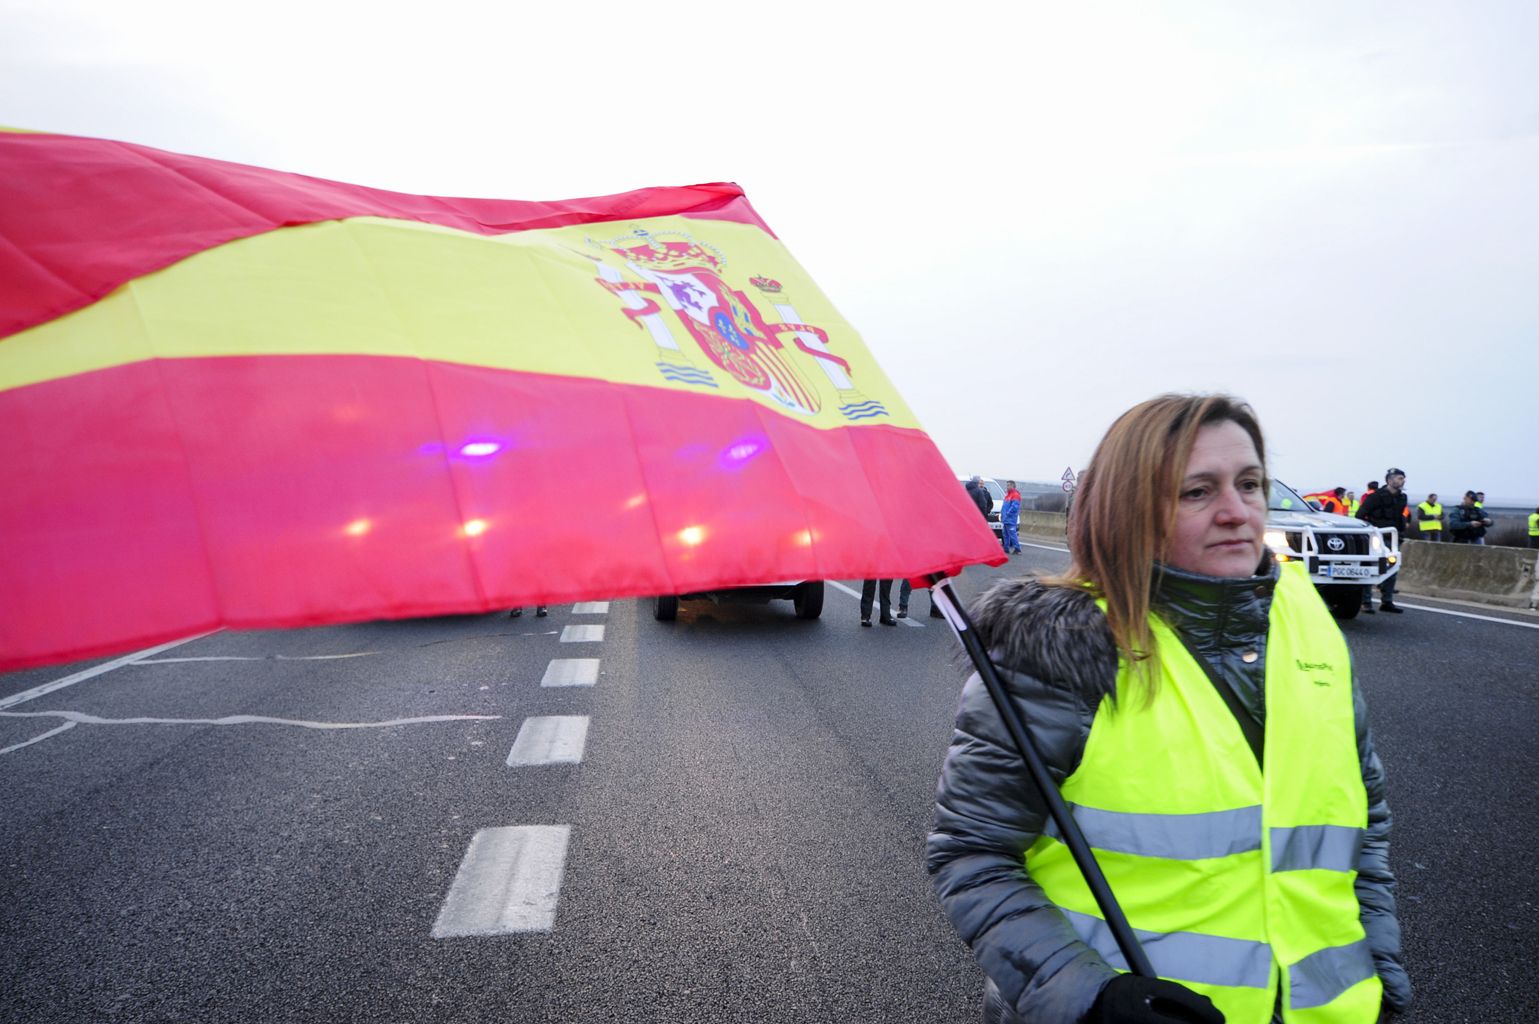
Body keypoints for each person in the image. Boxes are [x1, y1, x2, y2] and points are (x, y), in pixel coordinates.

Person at [928, 394, 1408, 1024]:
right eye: (1197, 492)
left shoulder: (1307, 621)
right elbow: (972, 852)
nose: (1238, 512)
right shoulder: (1062, 649)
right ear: (1132, 510)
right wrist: (1089, 997)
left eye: (1250, 483)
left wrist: (1381, 972)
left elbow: (1361, 826)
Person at [1356, 468, 1409, 613]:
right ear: (1389, 480)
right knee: (1369, 568)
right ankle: (1366, 602)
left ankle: (1387, 601)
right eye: (1399, 478)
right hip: (1376, 538)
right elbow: (1360, 515)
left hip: (1392, 537)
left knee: (1392, 569)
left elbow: (1399, 517)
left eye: (1403, 478)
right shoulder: (1375, 497)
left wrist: (1401, 533)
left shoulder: (1402, 497)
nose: (1402, 481)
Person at [1001, 480, 1023, 554]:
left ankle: (1017, 548)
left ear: (1012, 486)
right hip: (1006, 518)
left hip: (1010, 518)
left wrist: (1007, 514)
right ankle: (1006, 548)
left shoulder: (1015, 495)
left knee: (1012, 534)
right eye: (1007, 485)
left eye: (1008, 485)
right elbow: (1005, 506)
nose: (1007, 487)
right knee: (1005, 534)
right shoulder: (1008, 495)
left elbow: (1014, 507)